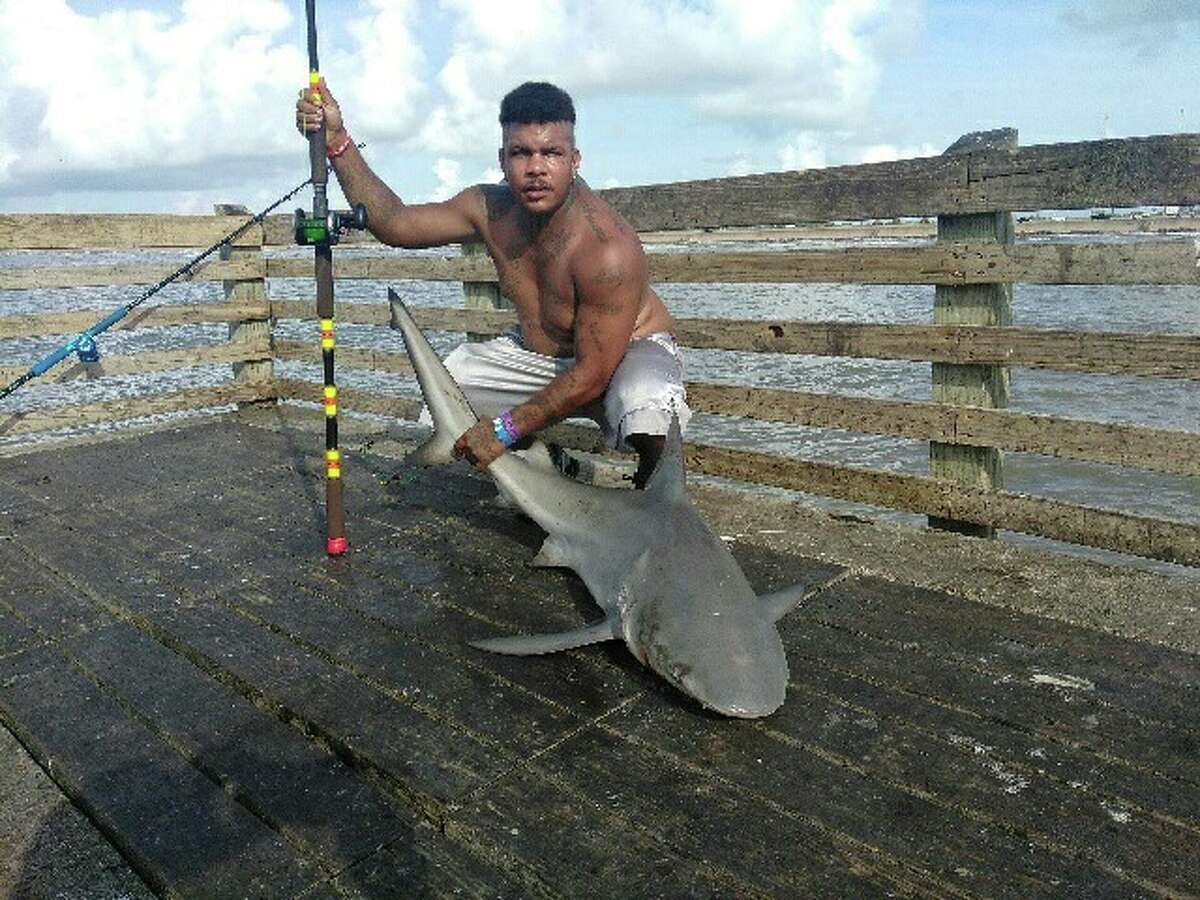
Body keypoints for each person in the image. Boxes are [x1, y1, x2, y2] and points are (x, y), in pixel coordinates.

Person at [296, 80, 690, 487]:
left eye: (551, 153)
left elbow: (593, 373)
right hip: (542, 356)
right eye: (521, 153)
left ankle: (656, 508)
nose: (536, 168)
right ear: (503, 160)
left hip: (622, 352)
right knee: (452, 390)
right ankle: (548, 470)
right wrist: (337, 141)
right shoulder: (487, 208)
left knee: (648, 402)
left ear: (575, 161)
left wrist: (504, 429)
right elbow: (395, 223)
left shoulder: (607, 248)